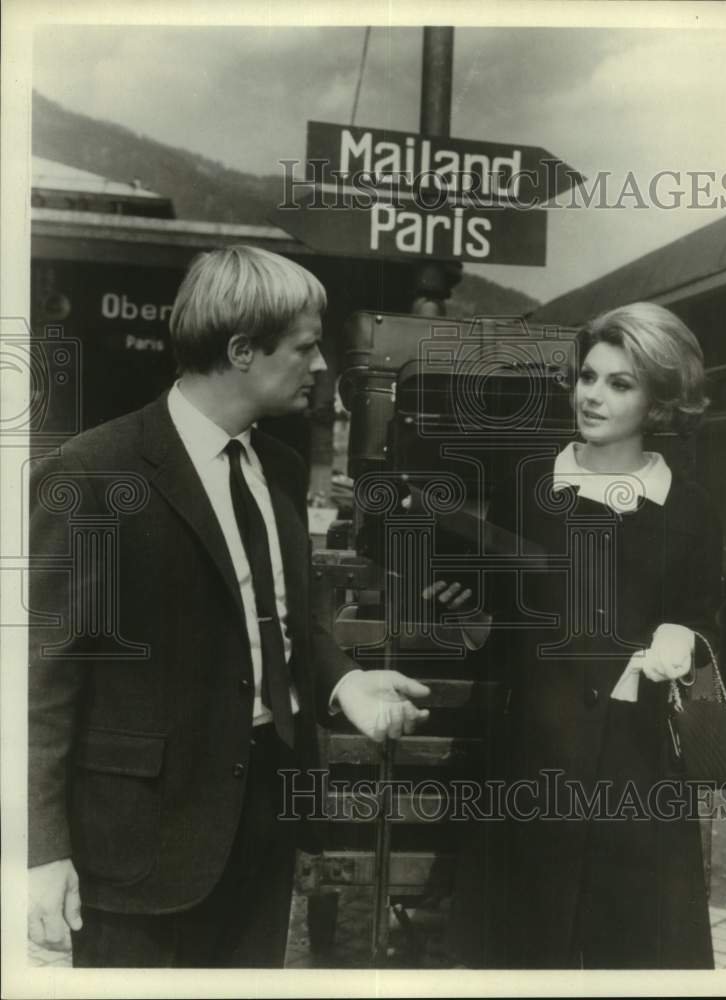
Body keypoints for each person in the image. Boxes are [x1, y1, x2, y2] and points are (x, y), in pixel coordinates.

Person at [27, 245, 430, 968]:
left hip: (260, 828)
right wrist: (42, 851)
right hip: (140, 850)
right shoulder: (91, 474)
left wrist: (343, 680)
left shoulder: (273, 467)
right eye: (307, 347)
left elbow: (288, 614)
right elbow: (46, 679)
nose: (320, 369)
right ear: (243, 350)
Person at [432, 302, 722, 969]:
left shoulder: (689, 507)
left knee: (637, 962)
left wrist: (684, 638)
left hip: (639, 776)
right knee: (523, 960)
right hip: (535, 769)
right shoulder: (531, 487)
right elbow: (499, 635)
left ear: (659, 403)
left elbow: (705, 628)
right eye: (587, 377)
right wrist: (465, 613)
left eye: (620, 384)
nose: (592, 395)